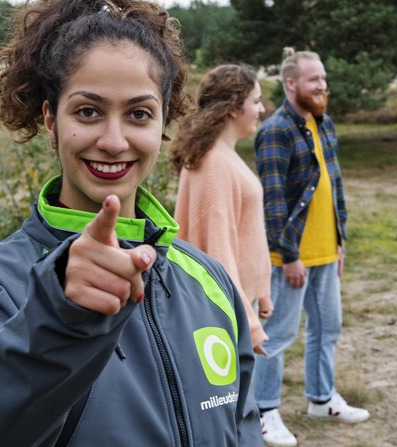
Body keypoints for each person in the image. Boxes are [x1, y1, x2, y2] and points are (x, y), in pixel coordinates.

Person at [0, 1, 263, 446]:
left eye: (139, 114)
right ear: (50, 120)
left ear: (163, 123)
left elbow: (243, 425)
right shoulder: (8, 285)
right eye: (88, 111)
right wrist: (59, 318)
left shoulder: (209, 280)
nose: (113, 141)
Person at [253, 51, 370, 447]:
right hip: (291, 257)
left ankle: (322, 400)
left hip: (325, 252)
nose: (322, 85)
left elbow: (334, 187)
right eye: (313, 79)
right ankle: (264, 412)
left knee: (327, 328)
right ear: (291, 84)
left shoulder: (324, 124)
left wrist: (339, 241)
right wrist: (289, 256)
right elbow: (273, 202)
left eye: (323, 78)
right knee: (276, 336)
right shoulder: (276, 131)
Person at [171, 64, 273, 356]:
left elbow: (246, 230)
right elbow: (218, 252)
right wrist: (247, 326)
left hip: (239, 303)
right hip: (226, 313)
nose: (262, 109)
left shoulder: (224, 155)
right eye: (256, 101)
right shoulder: (213, 164)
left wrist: (262, 292)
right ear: (233, 108)